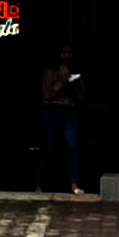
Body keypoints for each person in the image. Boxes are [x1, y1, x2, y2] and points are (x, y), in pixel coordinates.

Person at [36, 44, 85, 195]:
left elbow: (81, 95)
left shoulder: (74, 71)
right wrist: (62, 83)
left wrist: (75, 82)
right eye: (64, 52)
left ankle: (74, 183)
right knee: (49, 149)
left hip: (69, 109)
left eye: (69, 53)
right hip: (52, 109)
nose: (67, 56)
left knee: (72, 146)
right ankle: (40, 183)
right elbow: (48, 93)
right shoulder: (50, 71)